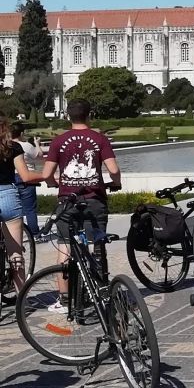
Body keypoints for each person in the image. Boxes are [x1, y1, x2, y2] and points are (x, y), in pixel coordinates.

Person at [41, 99, 123, 312]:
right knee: (98, 245)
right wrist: (116, 182)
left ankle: (65, 299)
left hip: (68, 201)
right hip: (94, 200)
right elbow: (113, 169)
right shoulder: (99, 139)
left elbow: (46, 174)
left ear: (68, 116)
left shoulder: (59, 141)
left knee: (65, 245)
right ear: (90, 114)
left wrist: (54, 183)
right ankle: (102, 293)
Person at [0, 115, 46, 292]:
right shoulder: (14, 147)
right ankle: (21, 299)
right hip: (8, 196)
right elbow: (25, 176)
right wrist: (49, 175)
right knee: (16, 253)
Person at [11, 121, 43, 235]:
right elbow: (39, 156)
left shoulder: (5, 145)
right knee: (30, 209)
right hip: (26, 177)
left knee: (13, 211)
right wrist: (37, 144)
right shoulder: (26, 146)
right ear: (21, 133)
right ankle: (34, 233)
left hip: (10, 178)